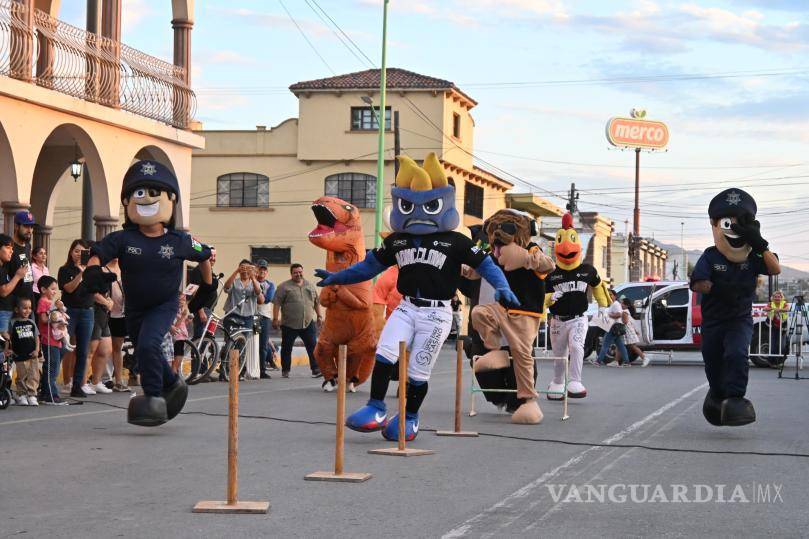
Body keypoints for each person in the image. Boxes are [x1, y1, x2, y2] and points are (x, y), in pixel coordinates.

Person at [317, 153, 519, 441]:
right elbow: (369, 266)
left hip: (437, 313)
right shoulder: (398, 240)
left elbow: (485, 264)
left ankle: (409, 416)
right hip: (407, 306)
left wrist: (502, 286)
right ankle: (376, 407)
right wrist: (337, 276)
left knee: (418, 371)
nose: (419, 213)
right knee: (385, 352)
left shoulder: (456, 241)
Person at [86, 160, 213, 427]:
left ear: (171, 200)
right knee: (144, 351)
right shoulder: (123, 239)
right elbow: (98, 253)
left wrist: (207, 285)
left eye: (154, 193)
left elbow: (204, 254)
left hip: (163, 305)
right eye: (138, 193)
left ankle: (154, 396)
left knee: (148, 345)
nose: (145, 199)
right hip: (135, 308)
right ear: (127, 202)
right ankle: (172, 382)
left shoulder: (179, 240)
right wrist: (92, 269)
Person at [690, 188, 780, 427]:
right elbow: (698, 283)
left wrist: (760, 244)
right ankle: (718, 396)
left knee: (737, 353)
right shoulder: (710, 256)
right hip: (713, 320)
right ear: (715, 224)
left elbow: (774, 269)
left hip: (739, 318)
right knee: (713, 361)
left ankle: (737, 398)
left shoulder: (753, 256)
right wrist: (719, 290)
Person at [544, 213, 610, 399]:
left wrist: (603, 306)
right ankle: (557, 382)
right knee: (559, 355)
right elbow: (540, 295)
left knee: (577, 346)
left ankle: (575, 381)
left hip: (578, 318)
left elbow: (599, 286)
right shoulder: (551, 273)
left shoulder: (587, 270)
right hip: (557, 321)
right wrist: (550, 297)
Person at [58, 239, 95, 398]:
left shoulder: (91, 270)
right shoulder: (65, 269)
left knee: (83, 350)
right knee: (63, 346)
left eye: (83, 252)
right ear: (71, 252)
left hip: (87, 312)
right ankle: (50, 383)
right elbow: (69, 288)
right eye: (76, 251)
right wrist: (81, 273)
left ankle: (78, 385)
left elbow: (96, 289)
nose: (79, 254)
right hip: (70, 311)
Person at [273, 263, 322, 378]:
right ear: (291, 274)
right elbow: (277, 304)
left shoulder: (309, 286)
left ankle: (315, 368)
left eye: (300, 272)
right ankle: (285, 370)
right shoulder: (283, 287)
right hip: (289, 323)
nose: (298, 274)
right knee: (286, 348)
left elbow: (316, 302)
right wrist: (275, 319)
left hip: (307, 322)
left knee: (312, 346)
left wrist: (319, 316)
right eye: (295, 272)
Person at [36, 275, 68, 405]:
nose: (55, 292)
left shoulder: (50, 303)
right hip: (48, 340)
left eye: (56, 289)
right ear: (43, 289)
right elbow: (43, 319)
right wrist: (54, 314)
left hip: (56, 339)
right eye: (52, 289)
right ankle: (51, 394)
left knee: (54, 365)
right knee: (52, 368)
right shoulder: (43, 301)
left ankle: (45, 392)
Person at [86, 259, 114, 395]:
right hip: (94, 312)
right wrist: (106, 302)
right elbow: (93, 292)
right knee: (90, 351)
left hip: (104, 314)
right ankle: (82, 382)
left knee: (106, 350)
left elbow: (105, 292)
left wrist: (109, 300)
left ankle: (96, 382)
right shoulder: (90, 272)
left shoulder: (104, 271)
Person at [7, 298, 40, 406]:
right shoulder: (13, 323)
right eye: (24, 308)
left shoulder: (31, 322)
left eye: (30, 308)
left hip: (32, 355)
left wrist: (37, 350)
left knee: (33, 375)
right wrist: (9, 349)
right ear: (17, 309)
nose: (28, 310)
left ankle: (32, 395)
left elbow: (36, 338)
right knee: (21, 376)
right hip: (19, 355)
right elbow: (9, 338)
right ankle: (22, 395)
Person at [106, 259, 129, 391]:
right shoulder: (103, 268)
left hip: (121, 313)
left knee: (117, 347)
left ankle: (118, 380)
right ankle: (105, 378)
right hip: (106, 314)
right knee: (104, 348)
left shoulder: (124, 267)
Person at [0, 234, 29, 333]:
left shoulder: (4, 266)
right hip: (2, 312)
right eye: (8, 248)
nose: (11, 251)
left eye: (12, 248)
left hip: (8, 309)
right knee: (3, 345)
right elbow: (3, 291)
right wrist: (18, 276)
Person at [8, 211, 35, 313]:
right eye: (26, 226)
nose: (30, 230)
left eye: (31, 227)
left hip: (29, 300)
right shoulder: (9, 247)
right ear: (16, 226)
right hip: (14, 304)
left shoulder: (28, 246)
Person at [594, 289, 629, 367]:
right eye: (608, 295)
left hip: (614, 327)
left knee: (605, 344)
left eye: (611, 295)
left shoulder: (615, 304)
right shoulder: (614, 304)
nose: (609, 296)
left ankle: (598, 361)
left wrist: (609, 315)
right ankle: (627, 362)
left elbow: (619, 314)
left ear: (615, 296)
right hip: (616, 327)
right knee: (620, 345)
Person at [255, 259, 277, 378]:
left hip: (264, 317)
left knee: (262, 344)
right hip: (251, 316)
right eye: (260, 269)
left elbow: (268, 299)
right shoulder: (250, 282)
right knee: (251, 343)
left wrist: (257, 291)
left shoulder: (270, 285)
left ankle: (262, 370)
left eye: (264, 269)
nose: (262, 271)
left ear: (267, 272)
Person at [620, 298, 648, 367]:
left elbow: (625, 322)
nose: (621, 304)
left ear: (626, 305)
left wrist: (620, 320)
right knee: (628, 346)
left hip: (628, 331)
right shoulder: (626, 311)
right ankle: (625, 361)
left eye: (622, 303)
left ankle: (644, 358)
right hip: (629, 331)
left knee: (632, 346)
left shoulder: (625, 312)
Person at [169, 291, 190, 374]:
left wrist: (187, 319)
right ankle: (173, 372)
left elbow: (184, 324)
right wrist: (183, 317)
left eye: (184, 300)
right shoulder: (172, 311)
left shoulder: (181, 310)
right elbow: (175, 327)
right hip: (175, 337)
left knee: (180, 354)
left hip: (181, 336)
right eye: (180, 300)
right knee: (176, 355)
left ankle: (175, 371)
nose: (182, 302)